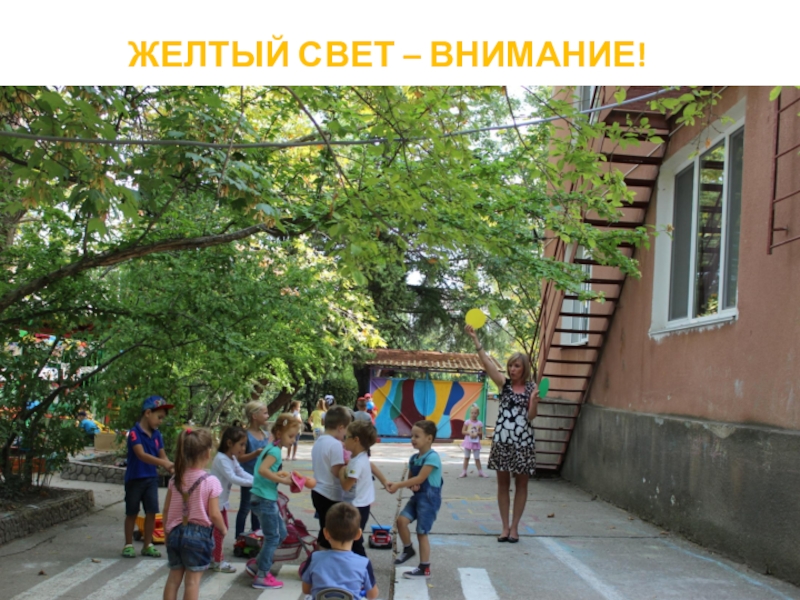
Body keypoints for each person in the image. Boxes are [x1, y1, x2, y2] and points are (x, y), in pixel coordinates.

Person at [465, 324, 539, 544]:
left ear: (524, 368)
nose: (512, 369)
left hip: (523, 444)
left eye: (516, 366)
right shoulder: (504, 385)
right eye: (510, 365)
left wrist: (534, 401)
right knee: (503, 485)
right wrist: (476, 340)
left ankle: (515, 528)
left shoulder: (532, 388)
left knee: (522, 485)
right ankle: (505, 527)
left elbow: (531, 416)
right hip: (502, 442)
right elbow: (487, 364)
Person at [162, 428, 225, 600]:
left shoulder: (175, 479)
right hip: (199, 536)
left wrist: (166, 533)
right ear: (207, 453)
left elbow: (166, 509)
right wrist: (223, 528)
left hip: (175, 532)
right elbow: (214, 514)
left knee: (173, 579)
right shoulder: (211, 481)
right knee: (192, 582)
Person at [244, 414, 300, 590]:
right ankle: (262, 575)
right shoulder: (275, 451)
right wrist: (283, 480)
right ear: (279, 433)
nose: (293, 440)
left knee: (281, 534)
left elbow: (266, 471)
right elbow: (262, 470)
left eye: (295, 437)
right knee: (273, 537)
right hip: (264, 499)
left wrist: (280, 475)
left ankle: (256, 565)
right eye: (290, 436)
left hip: (266, 498)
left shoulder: (272, 448)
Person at [386, 420, 442, 579]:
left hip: (429, 500)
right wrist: (412, 486)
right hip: (418, 497)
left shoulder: (432, 457)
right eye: (412, 436)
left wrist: (399, 485)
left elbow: (421, 478)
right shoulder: (413, 458)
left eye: (417, 436)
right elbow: (412, 480)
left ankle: (425, 568)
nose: (413, 439)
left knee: (421, 532)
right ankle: (408, 548)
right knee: (401, 521)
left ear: (429, 438)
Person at [122, 395, 175, 559]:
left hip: (151, 478)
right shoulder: (134, 433)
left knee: (152, 511)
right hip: (135, 478)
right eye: (159, 417)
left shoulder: (157, 435)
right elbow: (141, 455)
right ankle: (128, 544)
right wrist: (164, 463)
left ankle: (147, 545)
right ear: (147, 413)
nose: (161, 421)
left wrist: (172, 468)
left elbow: (162, 455)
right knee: (132, 512)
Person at [300, 502, 379, 600]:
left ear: (326, 533)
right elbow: (373, 595)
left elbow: (306, 590)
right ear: (358, 534)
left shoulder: (314, 558)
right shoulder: (363, 563)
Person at [209, 425, 253, 573]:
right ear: (229, 443)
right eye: (241, 444)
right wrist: (255, 483)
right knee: (220, 531)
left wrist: (258, 480)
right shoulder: (221, 459)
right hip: (215, 502)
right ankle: (217, 561)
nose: (243, 448)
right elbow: (233, 478)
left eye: (244, 444)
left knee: (220, 530)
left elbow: (241, 472)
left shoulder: (232, 458)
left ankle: (214, 558)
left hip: (221, 502)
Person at [310, 405, 351, 551]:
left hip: (318, 491)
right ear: (340, 427)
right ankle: (322, 557)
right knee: (330, 532)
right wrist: (349, 466)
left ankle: (318, 555)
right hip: (330, 494)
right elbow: (336, 471)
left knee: (324, 528)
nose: (346, 434)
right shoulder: (335, 445)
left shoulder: (319, 441)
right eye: (346, 430)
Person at [339, 420, 378, 557]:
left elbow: (346, 486)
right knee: (353, 538)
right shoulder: (361, 457)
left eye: (346, 437)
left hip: (357, 507)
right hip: (362, 504)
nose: (344, 440)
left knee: (354, 540)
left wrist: (341, 472)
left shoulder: (357, 463)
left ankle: (364, 566)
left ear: (356, 440)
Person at [236, 401, 270, 538]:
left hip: (262, 478)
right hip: (248, 478)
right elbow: (240, 458)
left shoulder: (265, 434)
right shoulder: (245, 435)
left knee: (258, 509)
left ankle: (255, 537)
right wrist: (256, 453)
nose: (268, 416)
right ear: (254, 416)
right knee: (245, 508)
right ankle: (239, 538)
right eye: (265, 413)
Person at [460, 405, 487, 478]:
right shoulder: (467, 422)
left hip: (476, 442)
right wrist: (469, 433)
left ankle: (480, 472)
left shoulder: (479, 423)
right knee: (466, 457)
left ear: (478, 414)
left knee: (477, 458)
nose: (473, 414)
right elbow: (463, 431)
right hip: (468, 442)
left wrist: (476, 433)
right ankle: (464, 472)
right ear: (470, 413)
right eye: (472, 413)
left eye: (475, 413)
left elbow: (481, 433)